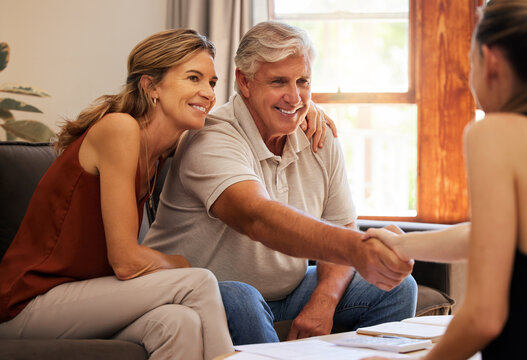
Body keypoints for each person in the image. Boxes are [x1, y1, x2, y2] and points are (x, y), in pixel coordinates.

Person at [143, 21, 417, 345]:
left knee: (396, 286)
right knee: (240, 299)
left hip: (290, 290)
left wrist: (325, 298)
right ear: (244, 82)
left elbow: (341, 222)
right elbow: (257, 217)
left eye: (303, 81)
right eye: (279, 82)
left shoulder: (319, 134)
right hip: (209, 289)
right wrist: (357, 248)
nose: (295, 97)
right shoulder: (212, 136)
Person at [0, 29, 235, 360]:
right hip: (27, 302)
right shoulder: (120, 129)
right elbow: (125, 262)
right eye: (193, 78)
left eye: (211, 82)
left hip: (84, 297)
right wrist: (180, 263)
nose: (208, 93)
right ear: (150, 86)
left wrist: (303, 112)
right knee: (197, 282)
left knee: (177, 322)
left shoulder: (163, 150)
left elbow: (239, 123)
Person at [363, 0, 527, 359]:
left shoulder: (495, 133)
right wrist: (404, 246)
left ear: (492, 62)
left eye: (471, 63)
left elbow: (484, 317)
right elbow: (490, 234)